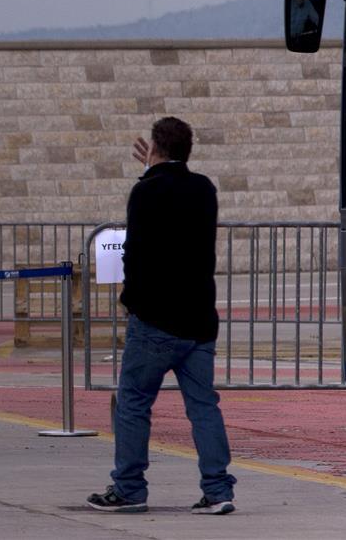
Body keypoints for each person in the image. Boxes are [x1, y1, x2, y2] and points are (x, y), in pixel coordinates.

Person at [87, 116, 236, 515]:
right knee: (203, 405)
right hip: (199, 319)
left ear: (155, 149)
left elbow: (137, 251)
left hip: (155, 319)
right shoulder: (204, 188)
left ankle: (130, 487)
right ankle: (218, 488)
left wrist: (130, 301)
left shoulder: (146, 192)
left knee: (134, 402)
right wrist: (151, 171)